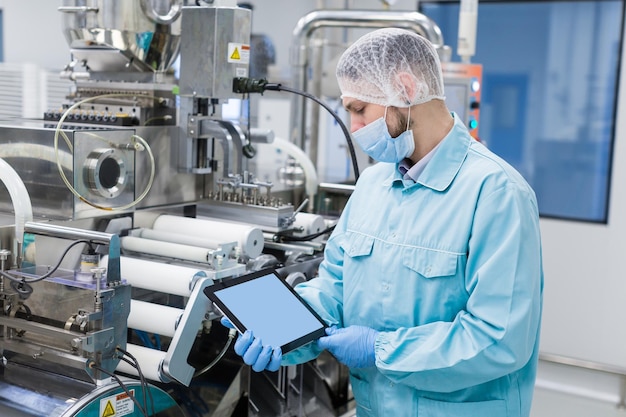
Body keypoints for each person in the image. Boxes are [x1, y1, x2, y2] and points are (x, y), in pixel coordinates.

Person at [223, 27, 544, 417]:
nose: (354, 129)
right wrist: (281, 329)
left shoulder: (496, 193)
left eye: (360, 110)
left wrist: (381, 350)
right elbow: (334, 289)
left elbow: (500, 339)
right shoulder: (374, 184)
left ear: (406, 89)